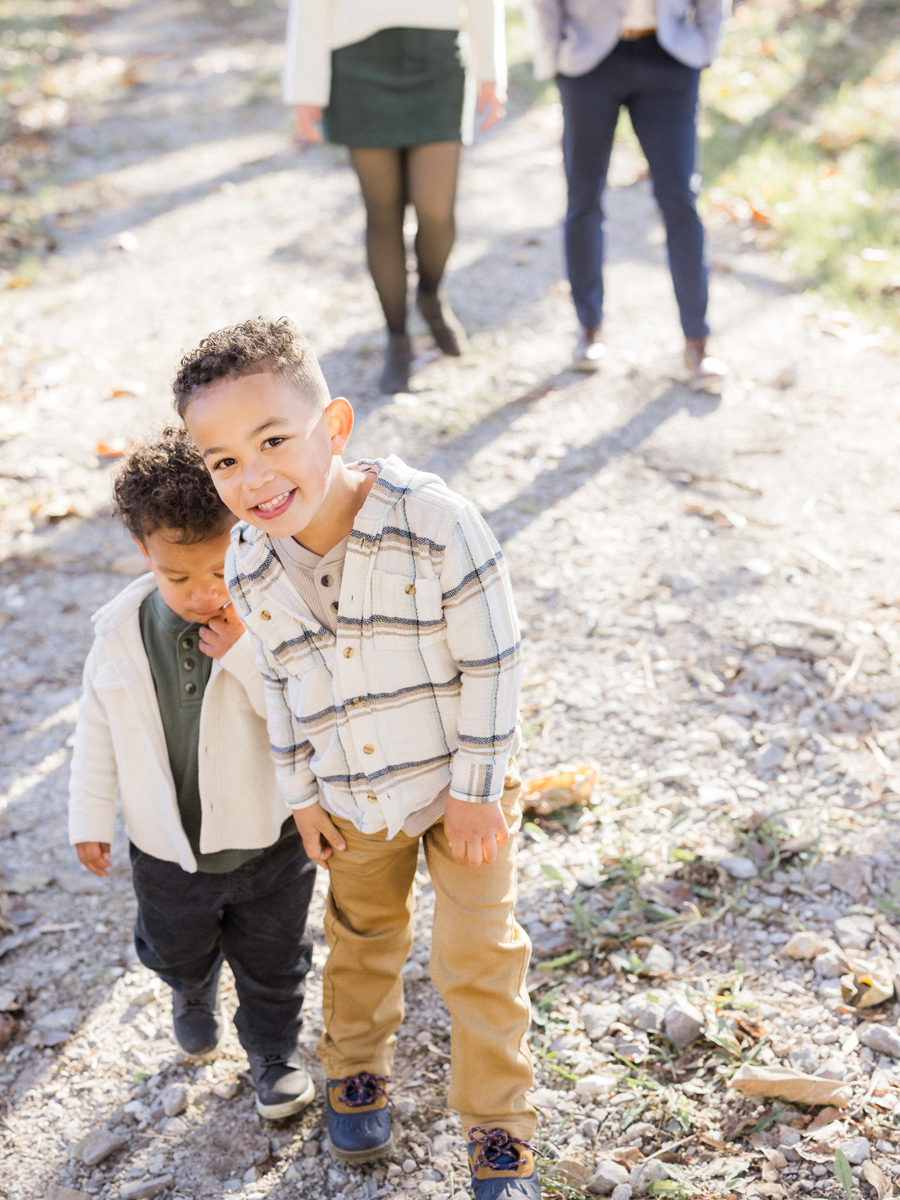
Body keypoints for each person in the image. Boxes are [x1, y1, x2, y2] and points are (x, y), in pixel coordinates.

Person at [176, 318, 540, 1200]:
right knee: (362, 936)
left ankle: (499, 1131)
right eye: (224, 461)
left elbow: (495, 662)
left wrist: (478, 791)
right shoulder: (253, 561)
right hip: (353, 794)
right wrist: (303, 796)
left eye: (272, 441)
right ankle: (355, 1068)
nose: (253, 477)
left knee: (477, 955)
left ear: (334, 428)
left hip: (464, 790)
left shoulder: (435, 523)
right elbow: (283, 687)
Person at [68, 427, 317, 1120]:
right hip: (167, 847)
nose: (204, 594)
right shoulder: (116, 634)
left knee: (274, 960)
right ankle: (191, 984)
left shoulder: (270, 618)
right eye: (178, 577)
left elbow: (301, 712)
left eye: (219, 572)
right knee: (175, 943)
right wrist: (89, 818)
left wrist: (243, 652)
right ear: (143, 554)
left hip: (269, 841)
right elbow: (96, 730)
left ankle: (273, 1052)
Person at [284, 2, 507, 394]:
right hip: (357, 61)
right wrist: (305, 88)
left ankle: (430, 294)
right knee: (382, 213)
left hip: (438, 55)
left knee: (436, 211)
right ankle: (397, 337)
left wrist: (491, 71)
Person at [525, 0, 729, 382]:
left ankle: (697, 339)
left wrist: (705, 47)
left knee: (681, 198)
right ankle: (588, 329)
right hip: (589, 62)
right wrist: (550, 59)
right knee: (583, 196)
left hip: (671, 57)